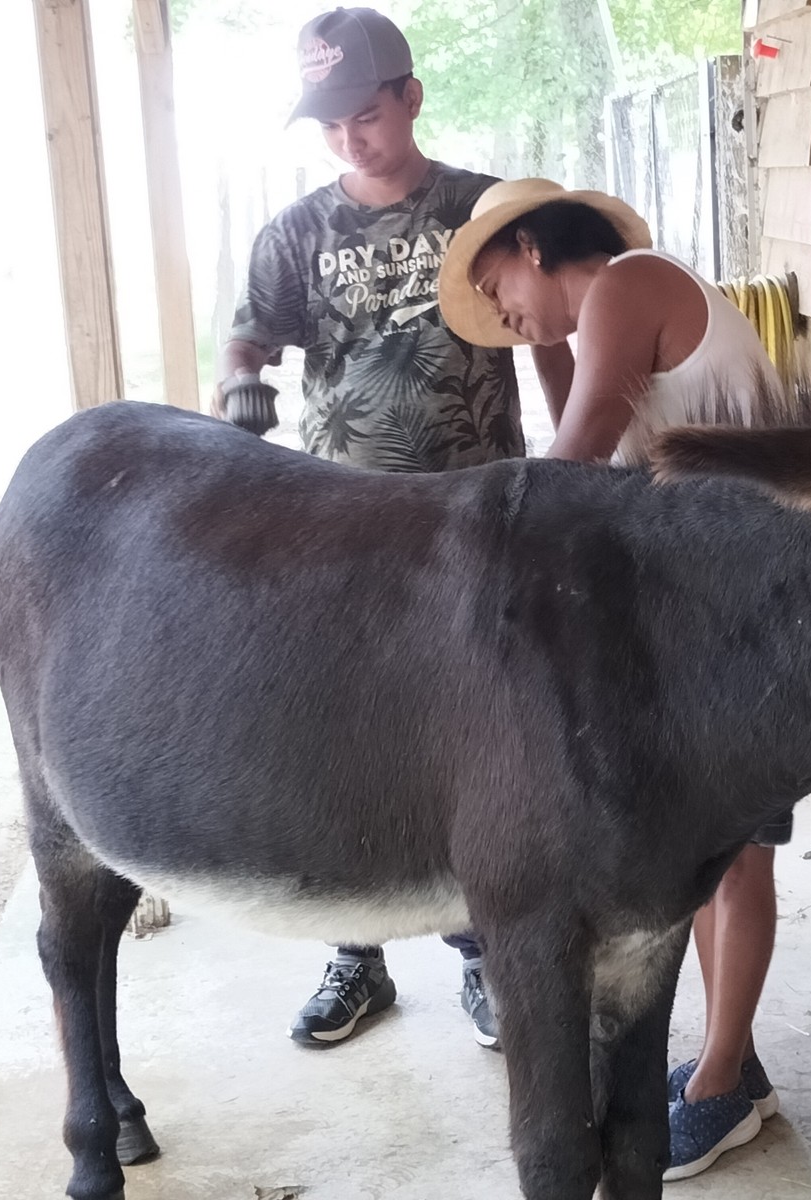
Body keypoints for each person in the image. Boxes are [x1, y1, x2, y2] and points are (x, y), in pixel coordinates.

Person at [215, 7, 567, 1051]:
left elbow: (547, 326)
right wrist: (239, 393)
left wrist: (571, 460)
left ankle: (476, 952)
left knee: (470, 737)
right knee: (344, 736)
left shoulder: (480, 211)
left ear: (410, 97)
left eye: (364, 115)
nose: (348, 139)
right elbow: (247, 340)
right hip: (341, 530)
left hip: (475, 522)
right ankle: (353, 956)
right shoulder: (292, 232)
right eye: (328, 125)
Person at [440, 179, 787, 1181]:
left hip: (746, 601)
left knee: (737, 855)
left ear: (538, 246)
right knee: (713, 854)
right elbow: (583, 442)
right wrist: (543, 339)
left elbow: (572, 468)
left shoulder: (631, 286)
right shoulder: (606, 316)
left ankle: (723, 1084)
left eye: (497, 280)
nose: (498, 312)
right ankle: (734, 1057)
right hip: (720, 592)